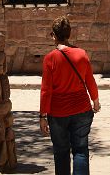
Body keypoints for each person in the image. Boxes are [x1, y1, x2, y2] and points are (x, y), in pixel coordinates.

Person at [39, 17, 100, 175]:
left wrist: (42, 116)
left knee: (61, 153)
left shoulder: (50, 58)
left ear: (54, 35)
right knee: (80, 150)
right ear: (69, 34)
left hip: (58, 113)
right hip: (81, 110)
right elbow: (90, 81)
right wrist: (96, 101)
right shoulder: (81, 54)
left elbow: (46, 90)